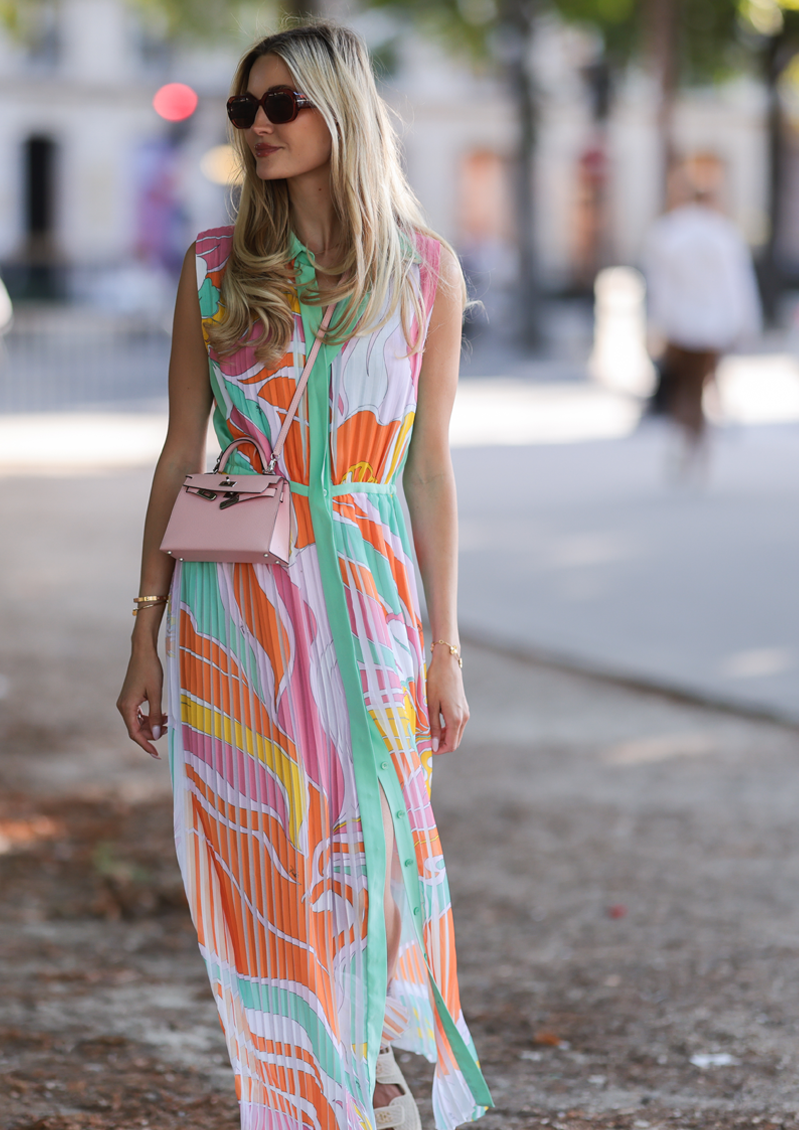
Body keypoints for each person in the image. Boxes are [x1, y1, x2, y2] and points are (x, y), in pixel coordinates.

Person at [115, 23, 491, 1130]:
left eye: (281, 105)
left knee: (376, 835)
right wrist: (143, 629)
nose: (261, 127)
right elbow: (181, 449)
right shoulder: (216, 269)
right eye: (244, 111)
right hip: (233, 610)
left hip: (370, 596)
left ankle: (365, 1051)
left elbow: (428, 468)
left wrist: (444, 645)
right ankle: (301, 1089)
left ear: (341, 110)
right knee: (263, 859)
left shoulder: (422, 272)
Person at [641, 167, 761, 481]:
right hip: (712, 327)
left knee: (684, 388)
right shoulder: (723, 234)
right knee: (701, 386)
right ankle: (699, 447)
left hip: (679, 326)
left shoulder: (668, 233)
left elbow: (660, 288)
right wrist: (744, 325)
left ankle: (686, 443)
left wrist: (656, 324)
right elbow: (737, 286)